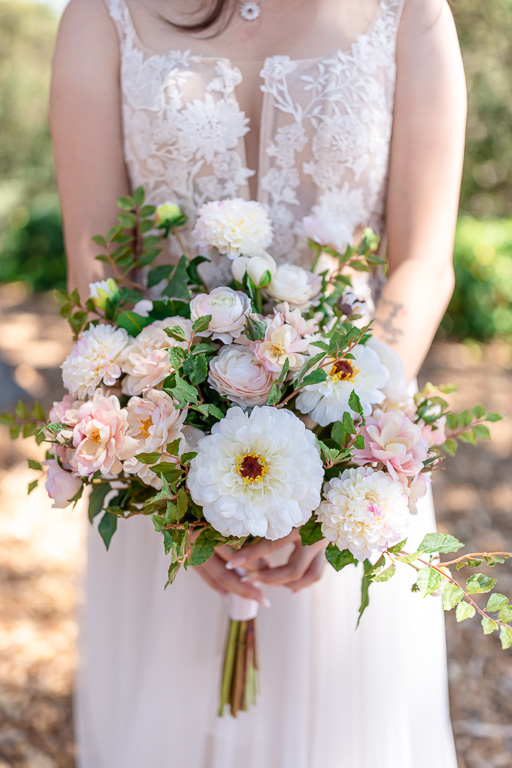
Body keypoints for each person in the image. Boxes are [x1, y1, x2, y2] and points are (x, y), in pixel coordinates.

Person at [50, 0, 466, 765]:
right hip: (161, 452)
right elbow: (96, 265)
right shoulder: (101, 16)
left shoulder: (409, 14)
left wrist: (354, 457)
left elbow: (423, 261)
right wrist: (165, 477)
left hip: (353, 434)